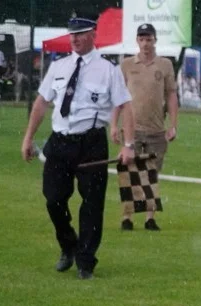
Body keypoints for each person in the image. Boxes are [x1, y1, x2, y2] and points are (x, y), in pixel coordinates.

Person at [20, 14, 135, 280]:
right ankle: (68, 245)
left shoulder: (108, 70)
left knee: (92, 204)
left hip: (91, 142)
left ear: (93, 35)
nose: (76, 39)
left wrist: (128, 144)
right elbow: (41, 103)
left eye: (81, 34)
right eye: (72, 34)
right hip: (59, 141)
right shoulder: (59, 67)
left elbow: (126, 106)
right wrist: (28, 137)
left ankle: (85, 261)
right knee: (53, 199)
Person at [113, 23, 178, 232]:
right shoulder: (127, 64)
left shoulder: (165, 65)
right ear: (137, 41)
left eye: (149, 39)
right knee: (129, 172)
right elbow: (118, 97)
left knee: (152, 174)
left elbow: (171, 94)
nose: (145, 43)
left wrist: (173, 124)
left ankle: (150, 217)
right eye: (141, 39)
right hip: (131, 128)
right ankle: (127, 216)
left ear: (155, 40)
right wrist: (114, 124)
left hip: (156, 129)